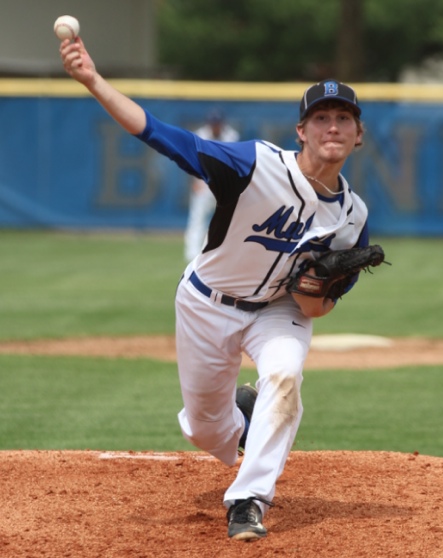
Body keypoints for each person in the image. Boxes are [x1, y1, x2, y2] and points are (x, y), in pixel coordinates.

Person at [60, 37, 369, 542]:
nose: (332, 126)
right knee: (206, 431)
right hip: (207, 303)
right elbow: (160, 135)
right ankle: (242, 419)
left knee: (286, 376)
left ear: (358, 136)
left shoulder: (352, 218)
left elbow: (319, 306)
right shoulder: (255, 164)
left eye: (344, 119)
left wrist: (316, 288)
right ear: (302, 131)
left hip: (278, 310)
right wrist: (93, 82)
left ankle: (248, 501)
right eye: (321, 118)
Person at [184, 110, 240, 261]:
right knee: (197, 218)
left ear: (222, 124)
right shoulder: (200, 135)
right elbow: (191, 161)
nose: (215, 126)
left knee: (229, 219)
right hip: (204, 182)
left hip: (223, 183)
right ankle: (192, 254)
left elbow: (233, 163)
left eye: (217, 123)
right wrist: (194, 181)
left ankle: (225, 252)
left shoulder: (231, 136)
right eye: (213, 123)